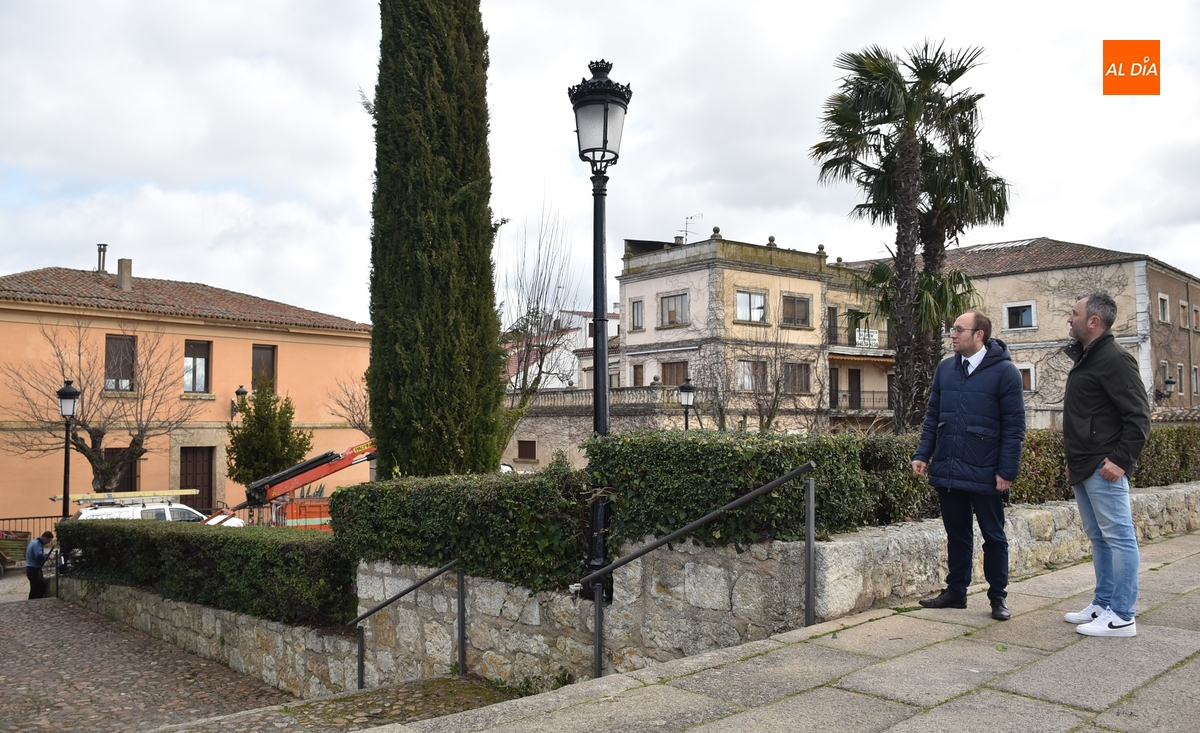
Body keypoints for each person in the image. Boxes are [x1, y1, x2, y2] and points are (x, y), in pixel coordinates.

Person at [912, 310, 1026, 621]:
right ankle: (956, 592)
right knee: (957, 534)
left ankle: (998, 598)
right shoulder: (946, 369)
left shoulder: (1006, 373)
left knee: (994, 536)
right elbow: (933, 416)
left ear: (979, 335)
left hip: (986, 470)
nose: (952, 334)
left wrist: (1007, 471)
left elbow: (1014, 427)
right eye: (952, 329)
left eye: (959, 329)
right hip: (949, 467)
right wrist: (923, 454)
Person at [1063, 292, 1151, 637]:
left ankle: (1122, 616)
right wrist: (1074, 461)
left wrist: (1120, 460)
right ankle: (1104, 604)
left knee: (1119, 538)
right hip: (1085, 465)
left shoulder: (1114, 358)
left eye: (1074, 313)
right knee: (1100, 538)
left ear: (1093, 321)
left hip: (1104, 466)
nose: (1070, 319)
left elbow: (1139, 418)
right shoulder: (1088, 358)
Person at [25, 530, 54, 599]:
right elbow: (39, 557)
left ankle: (33, 603)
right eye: (49, 541)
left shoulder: (33, 542)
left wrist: (47, 555)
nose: (48, 543)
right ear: (45, 538)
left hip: (30, 568)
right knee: (37, 589)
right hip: (34, 569)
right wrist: (48, 557)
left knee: (37, 587)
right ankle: (34, 603)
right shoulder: (38, 544)